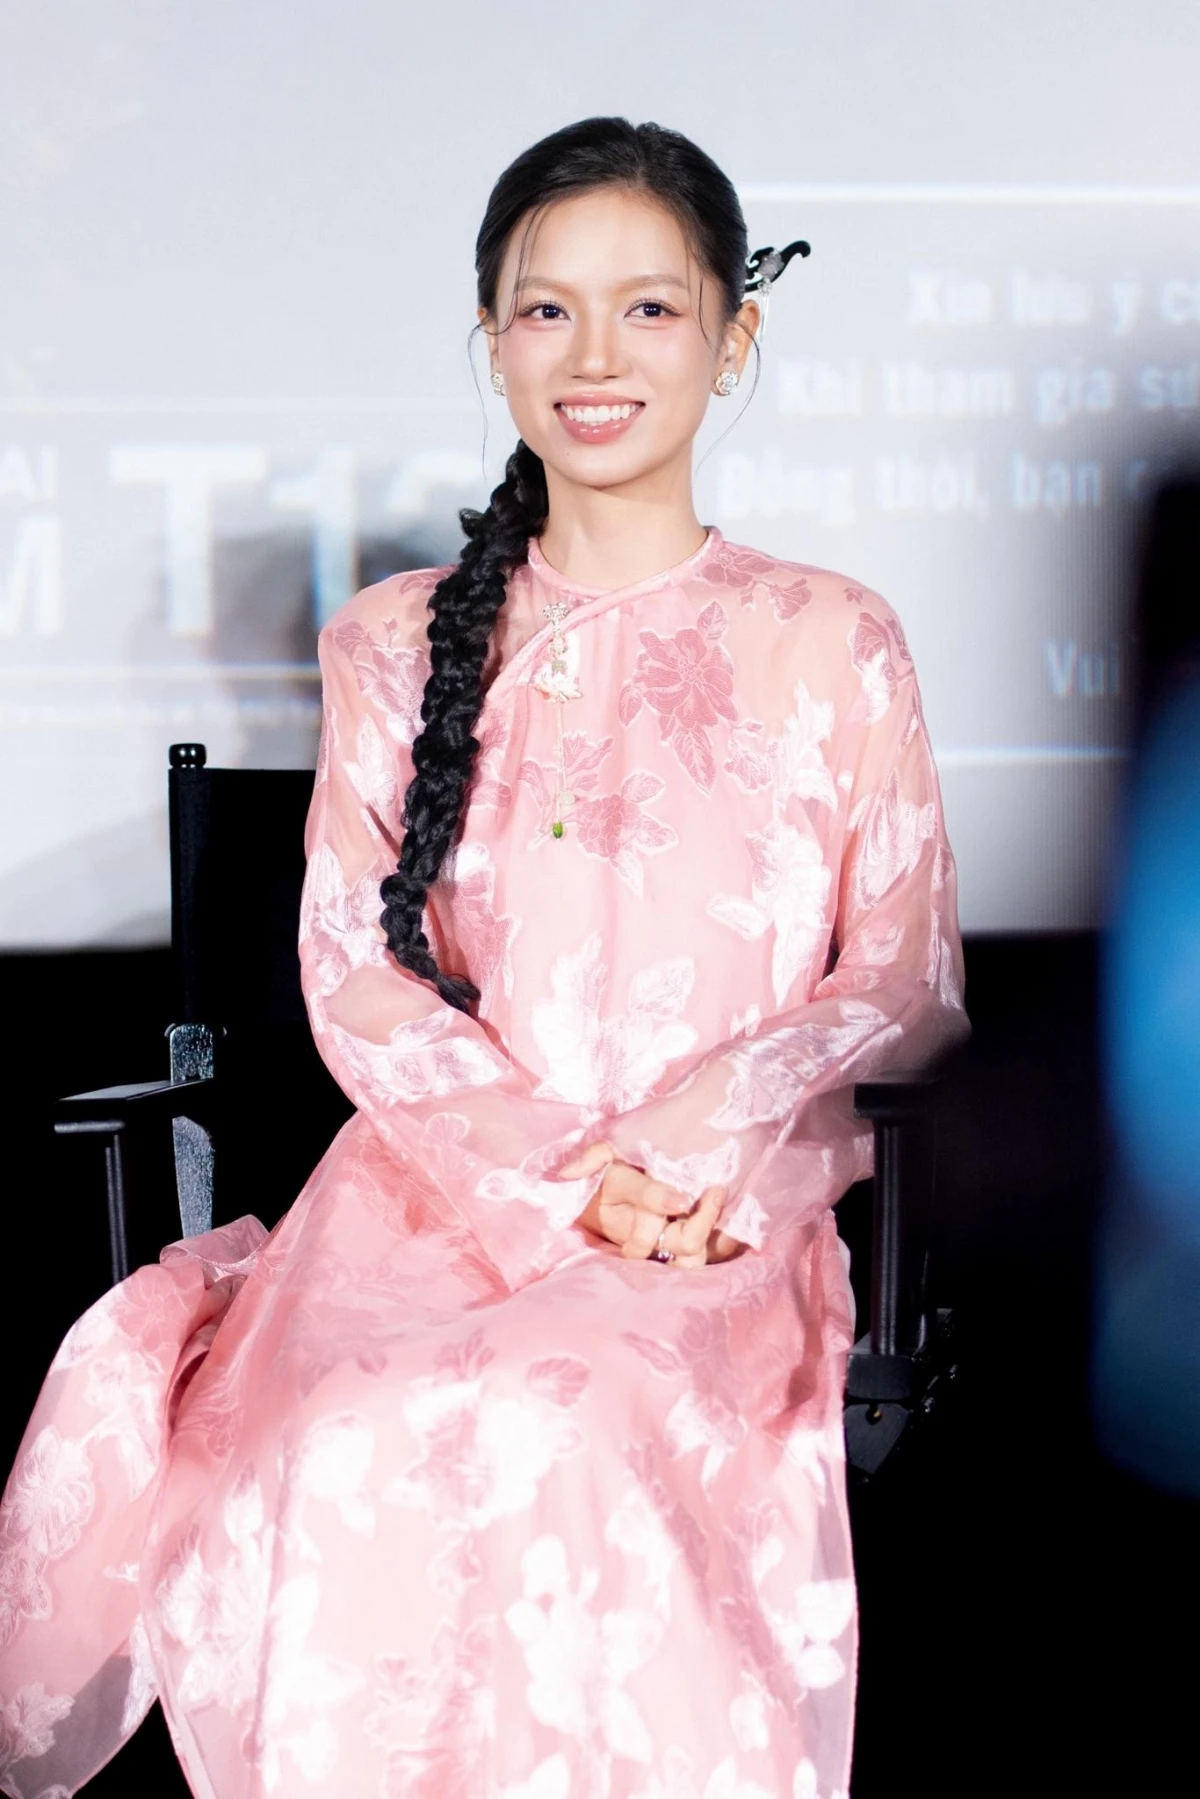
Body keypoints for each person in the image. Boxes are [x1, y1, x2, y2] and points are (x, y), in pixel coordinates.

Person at [0, 117, 968, 1799]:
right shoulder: (391, 640)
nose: (597, 358)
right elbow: (352, 970)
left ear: (735, 334)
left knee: (561, 1412)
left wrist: (693, 1150)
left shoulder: (835, 639)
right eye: (546, 311)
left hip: (715, 1218)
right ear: (492, 340)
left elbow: (901, 977)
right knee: (344, 1432)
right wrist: (570, 1177)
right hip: (434, 1205)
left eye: (650, 309)